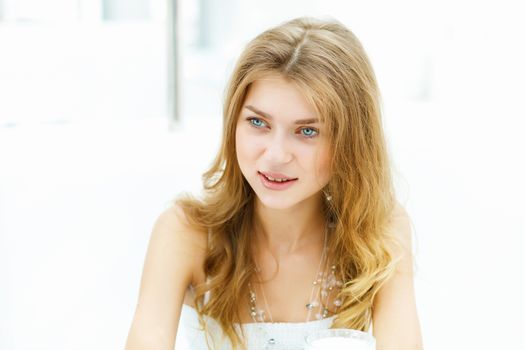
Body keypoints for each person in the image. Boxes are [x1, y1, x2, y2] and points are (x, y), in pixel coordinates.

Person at [125, 16, 423, 350]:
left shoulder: (380, 231)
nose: (276, 155)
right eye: (257, 122)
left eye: (307, 131)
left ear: (350, 142)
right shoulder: (187, 233)